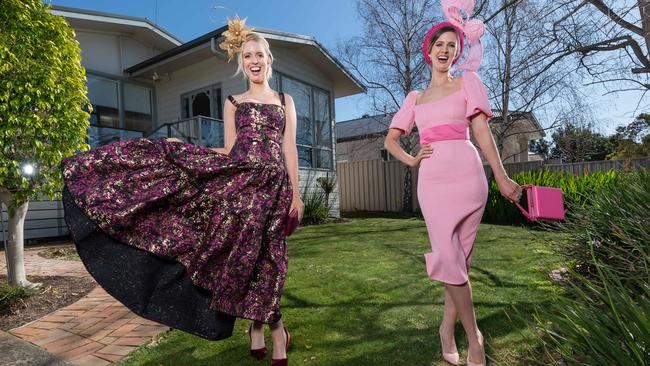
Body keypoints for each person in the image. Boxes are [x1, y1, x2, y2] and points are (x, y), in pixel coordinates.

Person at [62, 16, 301, 366]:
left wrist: (296, 194)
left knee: (270, 260)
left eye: (259, 54)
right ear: (242, 62)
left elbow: (290, 148)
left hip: (275, 189)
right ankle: (272, 327)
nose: (254, 61)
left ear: (269, 59)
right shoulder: (234, 102)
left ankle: (262, 328)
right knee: (246, 261)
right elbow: (230, 152)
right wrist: (183, 149)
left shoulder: (285, 100)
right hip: (241, 187)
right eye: (248, 55)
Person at [383, 3, 522, 366]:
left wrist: (502, 175)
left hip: (468, 175)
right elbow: (391, 140)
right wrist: (412, 159)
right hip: (433, 181)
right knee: (448, 258)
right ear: (428, 51)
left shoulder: (468, 83)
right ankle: (474, 335)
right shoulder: (414, 98)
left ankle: (447, 329)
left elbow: (481, 130)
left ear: (458, 52)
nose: (445, 50)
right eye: (439, 45)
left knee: (458, 263)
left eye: (452, 46)